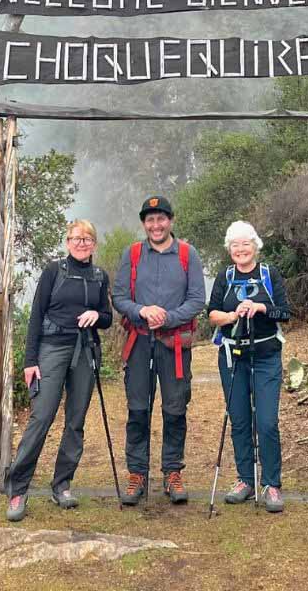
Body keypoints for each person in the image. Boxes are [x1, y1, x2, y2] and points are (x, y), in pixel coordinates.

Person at [5, 219, 112, 521]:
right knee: (41, 418)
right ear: (67, 242)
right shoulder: (54, 271)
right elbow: (36, 315)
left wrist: (97, 314)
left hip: (86, 351)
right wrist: (30, 361)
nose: (81, 243)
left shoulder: (99, 276)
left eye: (87, 239)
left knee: (75, 420)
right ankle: (17, 490)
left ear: (94, 244)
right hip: (51, 350)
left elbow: (107, 318)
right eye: (76, 238)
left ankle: (62, 485)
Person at [112, 195, 206, 505]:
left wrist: (167, 317)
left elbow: (196, 299)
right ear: (144, 224)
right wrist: (142, 311)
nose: (156, 224)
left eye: (161, 218)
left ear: (171, 221)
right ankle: (137, 474)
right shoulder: (133, 253)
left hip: (174, 344)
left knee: (175, 408)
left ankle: (172, 472)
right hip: (139, 342)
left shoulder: (188, 255)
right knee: (138, 408)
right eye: (150, 219)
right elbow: (120, 297)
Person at [207, 220, 290, 513]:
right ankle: (245, 480)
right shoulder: (225, 276)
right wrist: (232, 315)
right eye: (235, 245)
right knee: (240, 420)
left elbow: (285, 311)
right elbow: (212, 313)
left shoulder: (270, 274)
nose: (241, 249)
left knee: (267, 422)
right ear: (229, 249)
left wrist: (261, 308)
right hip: (233, 357)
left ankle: (272, 484)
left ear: (255, 246)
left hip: (266, 355)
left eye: (245, 244)